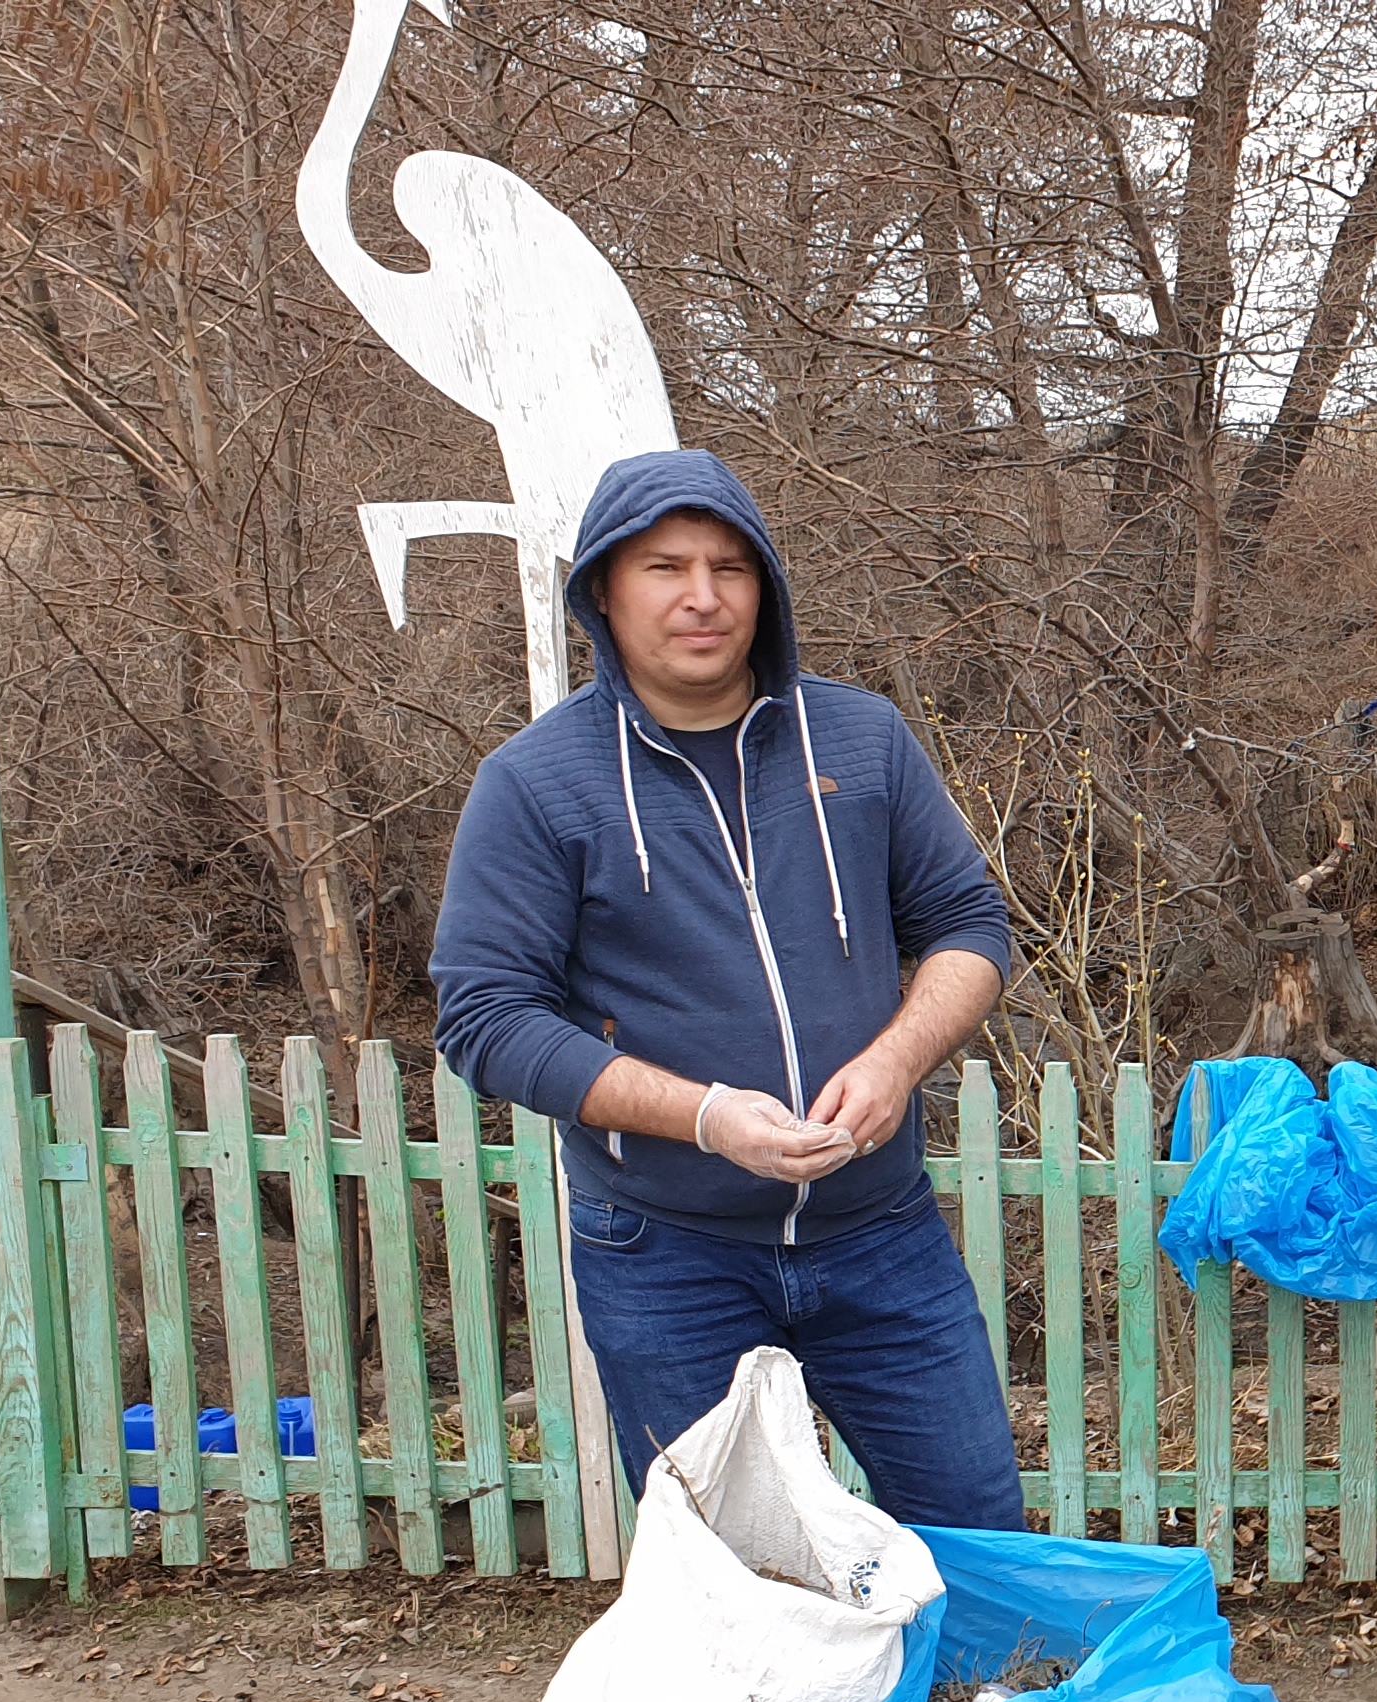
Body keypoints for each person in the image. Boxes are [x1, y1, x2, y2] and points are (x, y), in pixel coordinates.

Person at [432, 449, 1028, 1529]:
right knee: (733, 1582)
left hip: (880, 1232)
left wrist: (895, 1061)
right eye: (665, 567)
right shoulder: (536, 785)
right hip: (667, 1257)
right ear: (604, 591)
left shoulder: (861, 740)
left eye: (730, 567)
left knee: (977, 1535)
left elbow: (970, 926)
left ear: (767, 589)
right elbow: (486, 1016)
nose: (702, 597)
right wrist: (703, 1118)